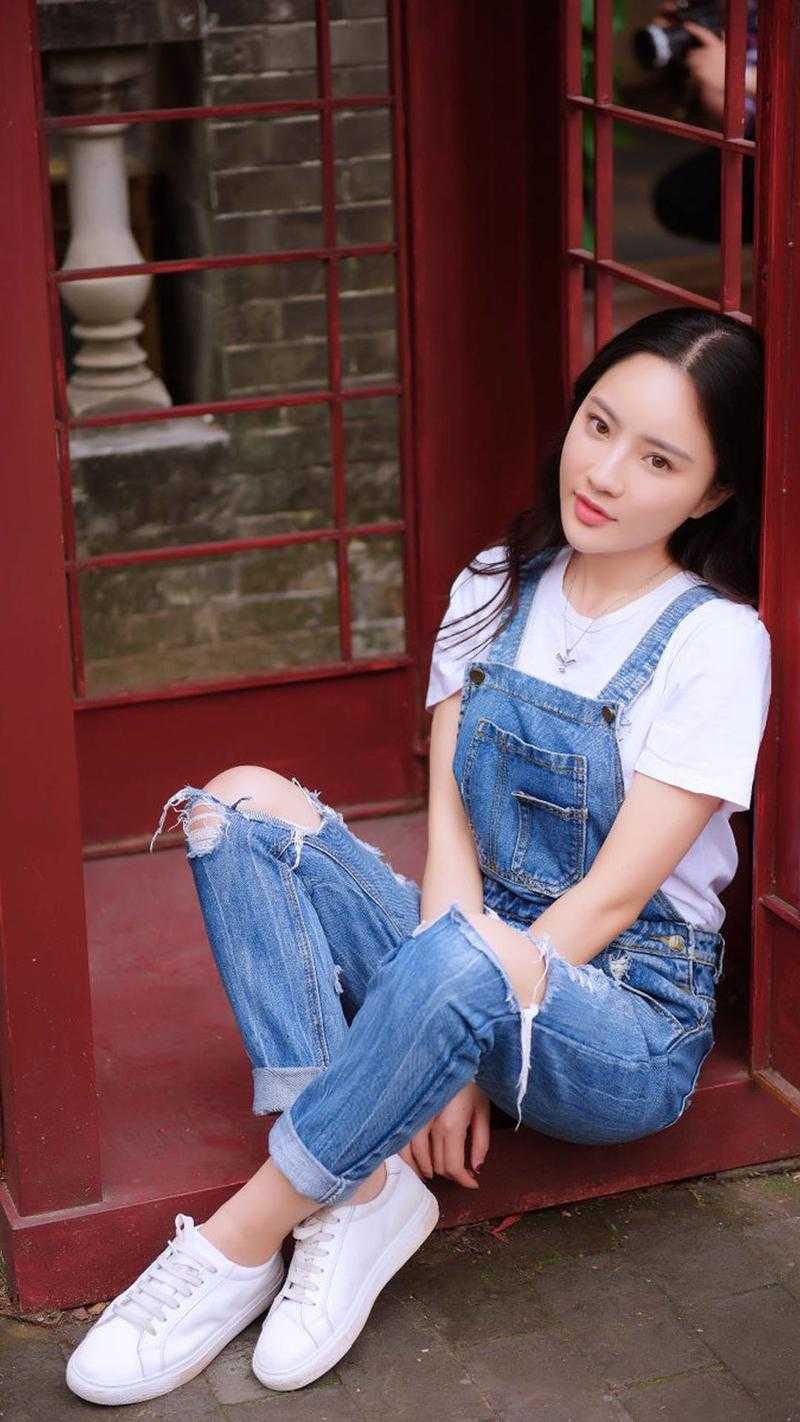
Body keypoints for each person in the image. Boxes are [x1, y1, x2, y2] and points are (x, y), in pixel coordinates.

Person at [65, 305, 771, 1406]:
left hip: (618, 1014)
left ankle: (238, 1242)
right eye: (597, 426)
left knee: (466, 954)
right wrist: (448, 1022)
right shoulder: (496, 581)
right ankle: (358, 1198)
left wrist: (464, 1023)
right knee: (239, 805)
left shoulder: (717, 643)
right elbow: (451, 832)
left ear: (713, 494)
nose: (604, 474)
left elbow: (609, 900)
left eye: (658, 460)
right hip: (471, 951)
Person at [650, 1, 758, 244]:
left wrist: (745, 78)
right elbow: (744, 127)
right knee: (678, 198)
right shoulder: (737, 11)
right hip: (776, 144)